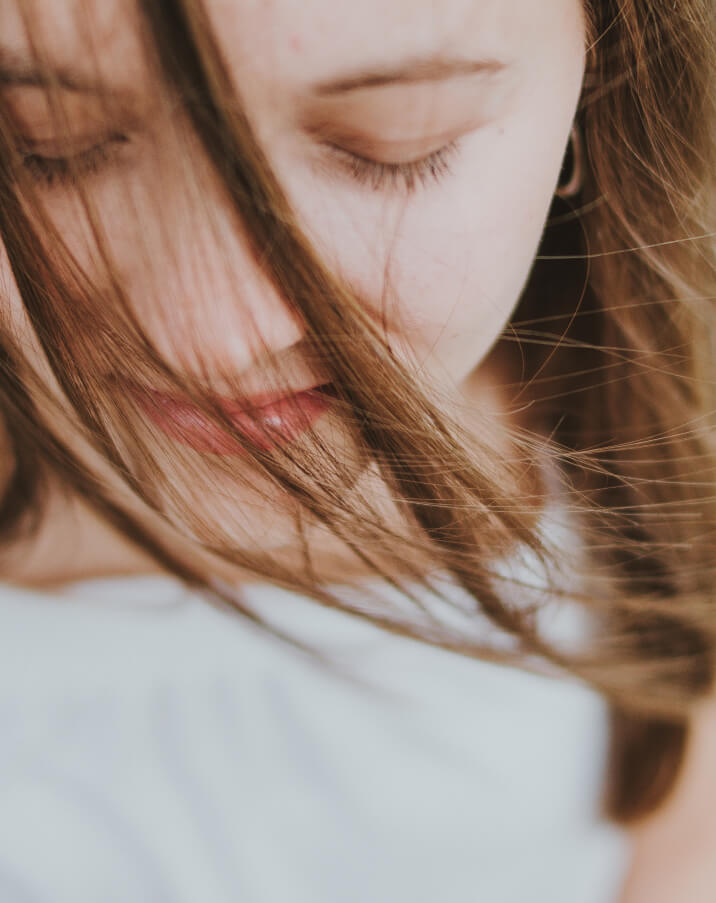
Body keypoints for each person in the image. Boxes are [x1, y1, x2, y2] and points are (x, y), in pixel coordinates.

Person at [0, 0, 713, 899]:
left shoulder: (652, 476)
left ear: (600, 74)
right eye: (42, 144)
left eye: (394, 145)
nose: (209, 341)